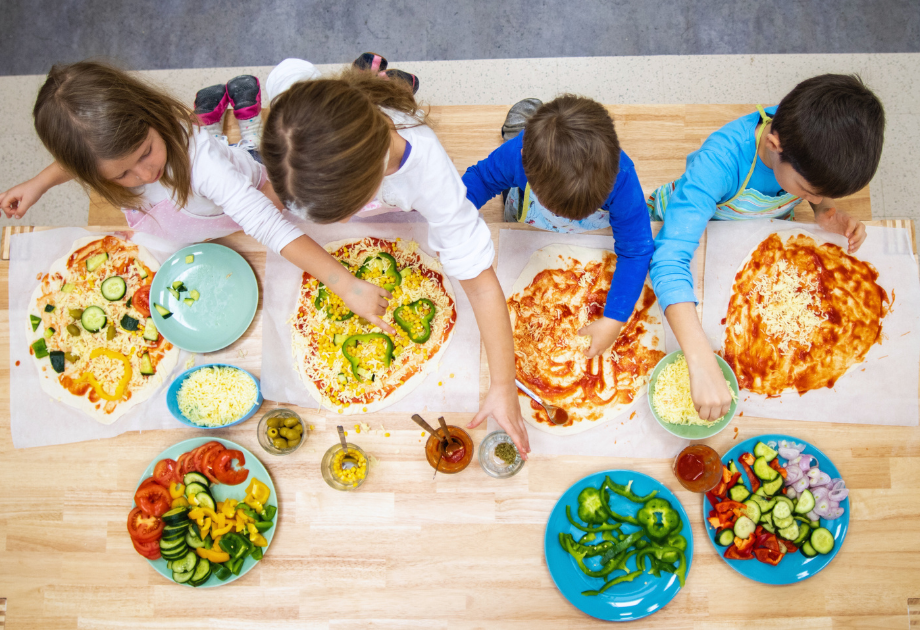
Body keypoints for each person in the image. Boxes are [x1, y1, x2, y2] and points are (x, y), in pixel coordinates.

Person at [261, 57, 531, 457]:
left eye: (339, 214)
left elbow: (482, 284)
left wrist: (503, 385)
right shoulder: (295, 107)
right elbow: (286, 72)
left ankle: (387, 83)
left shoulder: (431, 178)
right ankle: (376, 78)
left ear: (369, 188)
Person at [0, 60, 391, 331]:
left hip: (245, 192)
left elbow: (266, 224)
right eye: (121, 175)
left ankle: (248, 136)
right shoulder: (104, 154)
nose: (145, 173)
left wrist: (346, 284)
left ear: (152, 115)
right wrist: (39, 183)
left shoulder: (202, 163)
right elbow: (78, 160)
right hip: (187, 226)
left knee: (277, 191)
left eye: (146, 152)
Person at [648, 73, 885, 422]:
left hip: (755, 234)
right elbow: (668, 258)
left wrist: (825, 210)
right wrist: (699, 358)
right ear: (774, 147)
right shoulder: (719, 163)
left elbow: (813, 186)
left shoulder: (803, 142)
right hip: (691, 226)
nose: (814, 198)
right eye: (808, 189)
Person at [462, 95, 654, 357]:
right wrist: (455, 219)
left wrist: (614, 319)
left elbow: (636, 250)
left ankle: (532, 122)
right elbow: (481, 179)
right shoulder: (517, 158)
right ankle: (523, 126)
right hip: (530, 216)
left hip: (591, 230)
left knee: (536, 135)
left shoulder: (622, 178)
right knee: (511, 162)